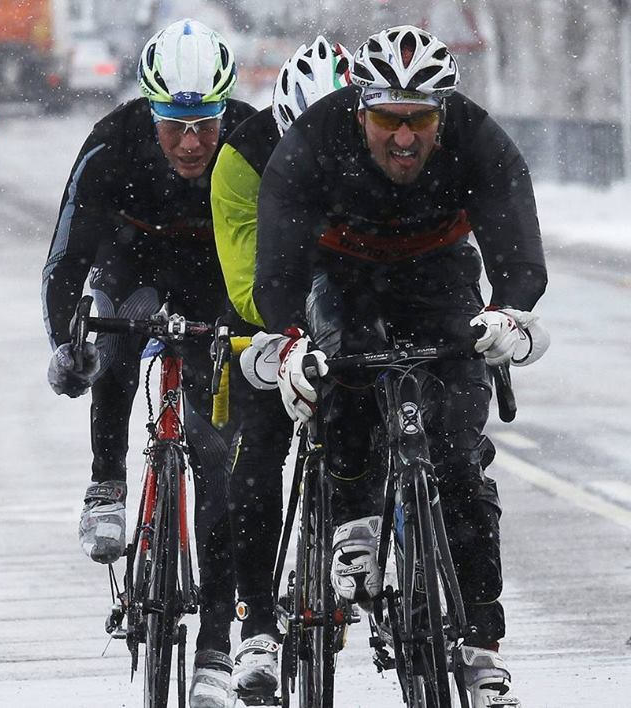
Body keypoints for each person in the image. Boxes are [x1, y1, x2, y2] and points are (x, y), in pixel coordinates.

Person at [253, 25, 549, 706]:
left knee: (460, 458)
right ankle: (355, 518)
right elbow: (278, 272)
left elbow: (517, 247)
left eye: (420, 120)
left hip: (438, 273)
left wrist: (508, 313)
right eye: (389, 119)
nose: (405, 138)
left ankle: (479, 646)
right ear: (361, 110)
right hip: (344, 274)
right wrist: (292, 341)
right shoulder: (314, 143)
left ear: (442, 114)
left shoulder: (477, 139)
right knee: (341, 373)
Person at [42, 18, 255, 707]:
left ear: (224, 110)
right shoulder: (112, 143)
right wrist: (64, 345)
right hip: (134, 270)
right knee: (113, 337)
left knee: (217, 455)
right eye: (175, 127)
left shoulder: (252, 140)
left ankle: (217, 647)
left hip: (218, 281)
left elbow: (287, 244)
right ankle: (106, 485)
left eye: (205, 125)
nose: (192, 143)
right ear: (151, 113)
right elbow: (65, 259)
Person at [209, 37, 353, 701]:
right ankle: (256, 624)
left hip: (347, 298)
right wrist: (286, 337)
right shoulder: (240, 155)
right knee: (258, 451)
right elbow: (247, 281)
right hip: (266, 310)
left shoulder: (377, 142)